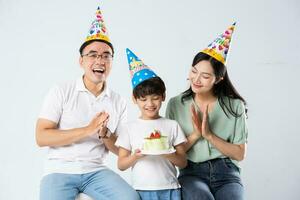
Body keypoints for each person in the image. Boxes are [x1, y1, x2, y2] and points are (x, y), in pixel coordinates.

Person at [35, 7, 140, 200]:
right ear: (81, 61)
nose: (100, 60)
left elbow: (120, 150)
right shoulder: (61, 91)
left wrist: (105, 135)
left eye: (106, 56)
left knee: (131, 198)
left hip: (96, 172)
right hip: (59, 170)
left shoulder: (118, 101)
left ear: (111, 62)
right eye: (93, 55)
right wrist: (88, 129)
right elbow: (41, 137)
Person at [165, 23, 248, 200]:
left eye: (205, 76)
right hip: (192, 172)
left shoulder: (235, 106)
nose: (196, 79)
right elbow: (171, 153)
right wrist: (196, 135)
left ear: (218, 79)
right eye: (194, 71)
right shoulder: (176, 104)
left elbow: (239, 154)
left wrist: (210, 135)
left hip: (227, 173)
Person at [116, 48, 187, 200]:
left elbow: (183, 162)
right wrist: (135, 156)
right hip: (141, 190)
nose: (150, 104)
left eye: (155, 98)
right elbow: (121, 164)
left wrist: (168, 153)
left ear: (163, 97)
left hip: (170, 189)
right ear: (134, 99)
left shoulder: (172, 125)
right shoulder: (129, 128)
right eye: (143, 99)